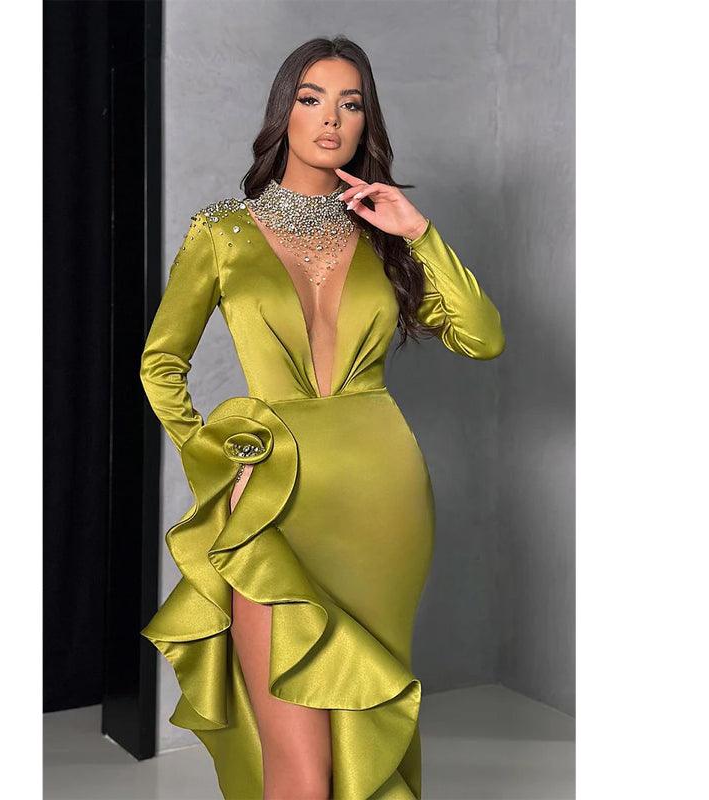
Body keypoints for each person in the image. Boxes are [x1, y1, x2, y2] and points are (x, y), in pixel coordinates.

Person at [139, 35, 505, 800]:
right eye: (312, 99)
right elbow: (161, 364)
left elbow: (482, 338)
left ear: (368, 121)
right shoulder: (222, 231)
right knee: (302, 772)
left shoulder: (384, 232)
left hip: (383, 502)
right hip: (271, 497)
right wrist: (218, 458)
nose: (331, 118)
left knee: (360, 741)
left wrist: (419, 232)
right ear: (285, 111)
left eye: (351, 103)